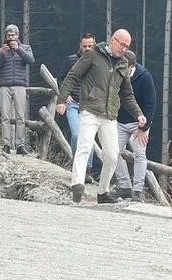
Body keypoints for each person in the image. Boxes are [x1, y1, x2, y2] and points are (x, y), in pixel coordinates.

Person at [56, 29, 146, 204]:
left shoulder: (123, 64)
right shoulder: (92, 55)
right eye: (122, 45)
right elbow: (72, 76)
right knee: (84, 146)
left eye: (127, 46)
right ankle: (77, 185)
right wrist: (61, 100)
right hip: (90, 109)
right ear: (113, 40)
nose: (124, 49)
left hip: (110, 115)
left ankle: (103, 192)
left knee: (112, 155)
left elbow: (127, 95)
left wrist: (139, 114)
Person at [114, 50, 156, 202]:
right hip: (119, 121)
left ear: (132, 66)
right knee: (113, 152)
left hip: (139, 123)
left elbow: (151, 104)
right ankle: (124, 186)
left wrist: (143, 128)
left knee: (139, 153)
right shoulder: (116, 73)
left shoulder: (144, 76)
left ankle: (137, 190)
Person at [60, 33, 97, 182]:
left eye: (90, 46)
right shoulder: (71, 60)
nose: (87, 49)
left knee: (89, 137)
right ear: (80, 46)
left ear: (94, 46)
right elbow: (61, 77)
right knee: (76, 135)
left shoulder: (98, 62)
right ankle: (78, 166)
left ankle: (87, 170)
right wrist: (64, 95)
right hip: (73, 103)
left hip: (90, 105)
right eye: (85, 46)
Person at [0, 24, 35, 155]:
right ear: (6, 36)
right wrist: (1, 54)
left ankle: (20, 145)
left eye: (13, 35)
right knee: (5, 116)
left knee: (20, 117)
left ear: (18, 36)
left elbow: (31, 61)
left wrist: (19, 50)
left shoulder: (25, 48)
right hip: (4, 84)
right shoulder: (2, 50)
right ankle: (6, 144)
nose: (11, 38)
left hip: (20, 85)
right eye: (9, 35)